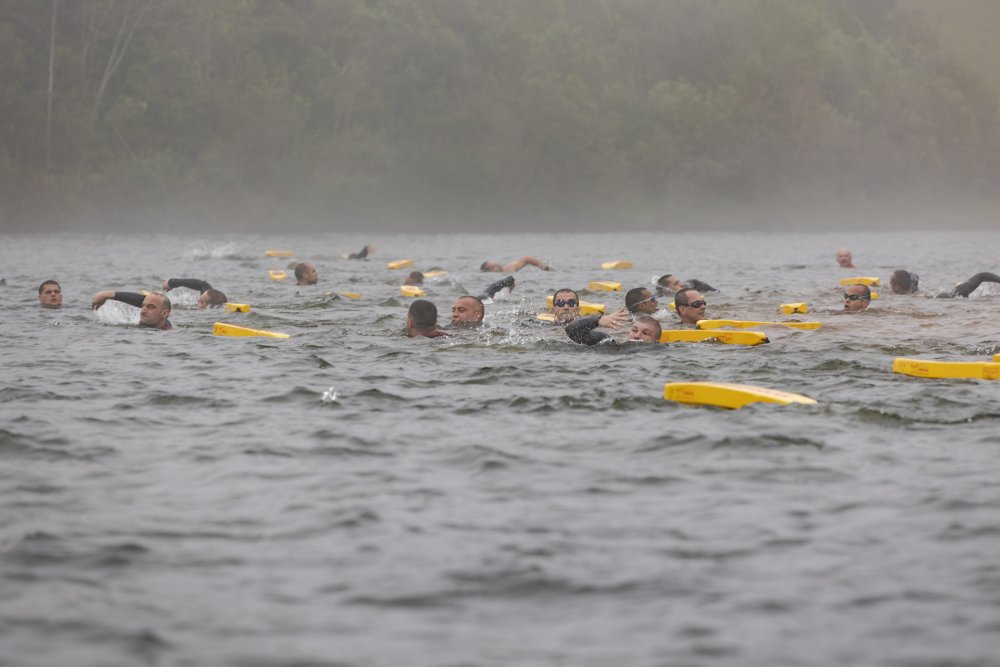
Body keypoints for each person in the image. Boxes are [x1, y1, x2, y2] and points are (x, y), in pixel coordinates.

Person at [890, 268, 1000, 298]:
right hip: (952, 294)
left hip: (950, 296)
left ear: (897, 287)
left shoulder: (913, 295)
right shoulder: (914, 287)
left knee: (981, 276)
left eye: (891, 283)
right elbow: (914, 276)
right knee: (981, 276)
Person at [91, 290, 173, 330]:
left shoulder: (168, 332)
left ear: (164, 314)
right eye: (142, 306)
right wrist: (106, 294)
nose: (143, 311)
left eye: (150, 307)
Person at [566, 314, 661, 346]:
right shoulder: (609, 343)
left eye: (645, 333)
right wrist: (598, 321)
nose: (637, 336)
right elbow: (571, 330)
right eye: (634, 330)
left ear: (656, 341)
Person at [162, 278, 227, 308]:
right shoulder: (208, 296)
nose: (197, 301)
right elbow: (202, 284)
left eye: (201, 302)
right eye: (200, 299)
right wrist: (172, 283)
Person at [480, 256, 552, 272]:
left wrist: (544, 266)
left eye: (495, 264)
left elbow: (527, 259)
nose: (497, 266)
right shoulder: (507, 270)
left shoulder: (507, 267)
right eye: (493, 267)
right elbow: (527, 258)